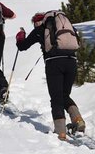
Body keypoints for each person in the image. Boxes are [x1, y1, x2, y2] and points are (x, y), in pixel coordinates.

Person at [16, 12, 85, 141]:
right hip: (71, 61)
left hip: (54, 63)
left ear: (37, 22)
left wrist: (20, 36)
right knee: (64, 95)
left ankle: (60, 132)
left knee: (56, 97)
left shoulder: (39, 29)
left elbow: (22, 46)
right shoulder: (63, 25)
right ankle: (78, 119)